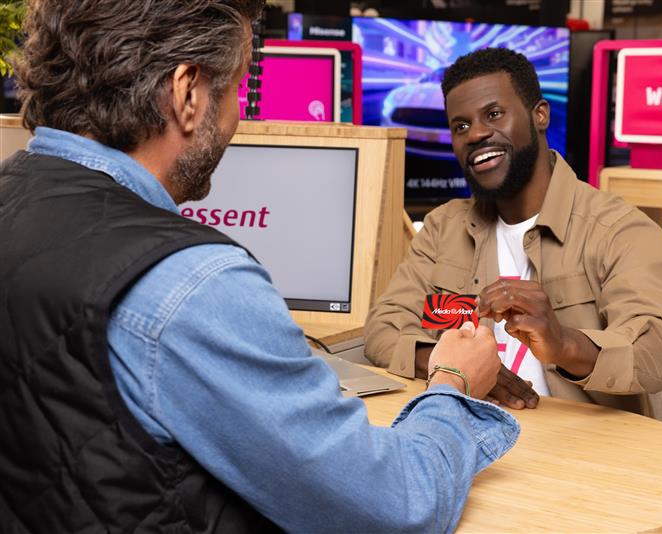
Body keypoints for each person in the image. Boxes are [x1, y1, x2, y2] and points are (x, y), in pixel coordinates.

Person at [0, 3, 519, 532]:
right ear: (187, 94)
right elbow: (400, 505)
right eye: (239, 91)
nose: (237, 118)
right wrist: (452, 383)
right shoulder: (193, 283)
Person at [365, 48, 662, 415]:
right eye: (461, 126)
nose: (476, 134)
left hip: (578, 441)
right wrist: (451, 369)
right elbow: (383, 327)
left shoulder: (620, 229)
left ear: (540, 115)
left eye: (494, 114)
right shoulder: (442, 227)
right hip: (465, 428)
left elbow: (660, 352)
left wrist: (564, 344)